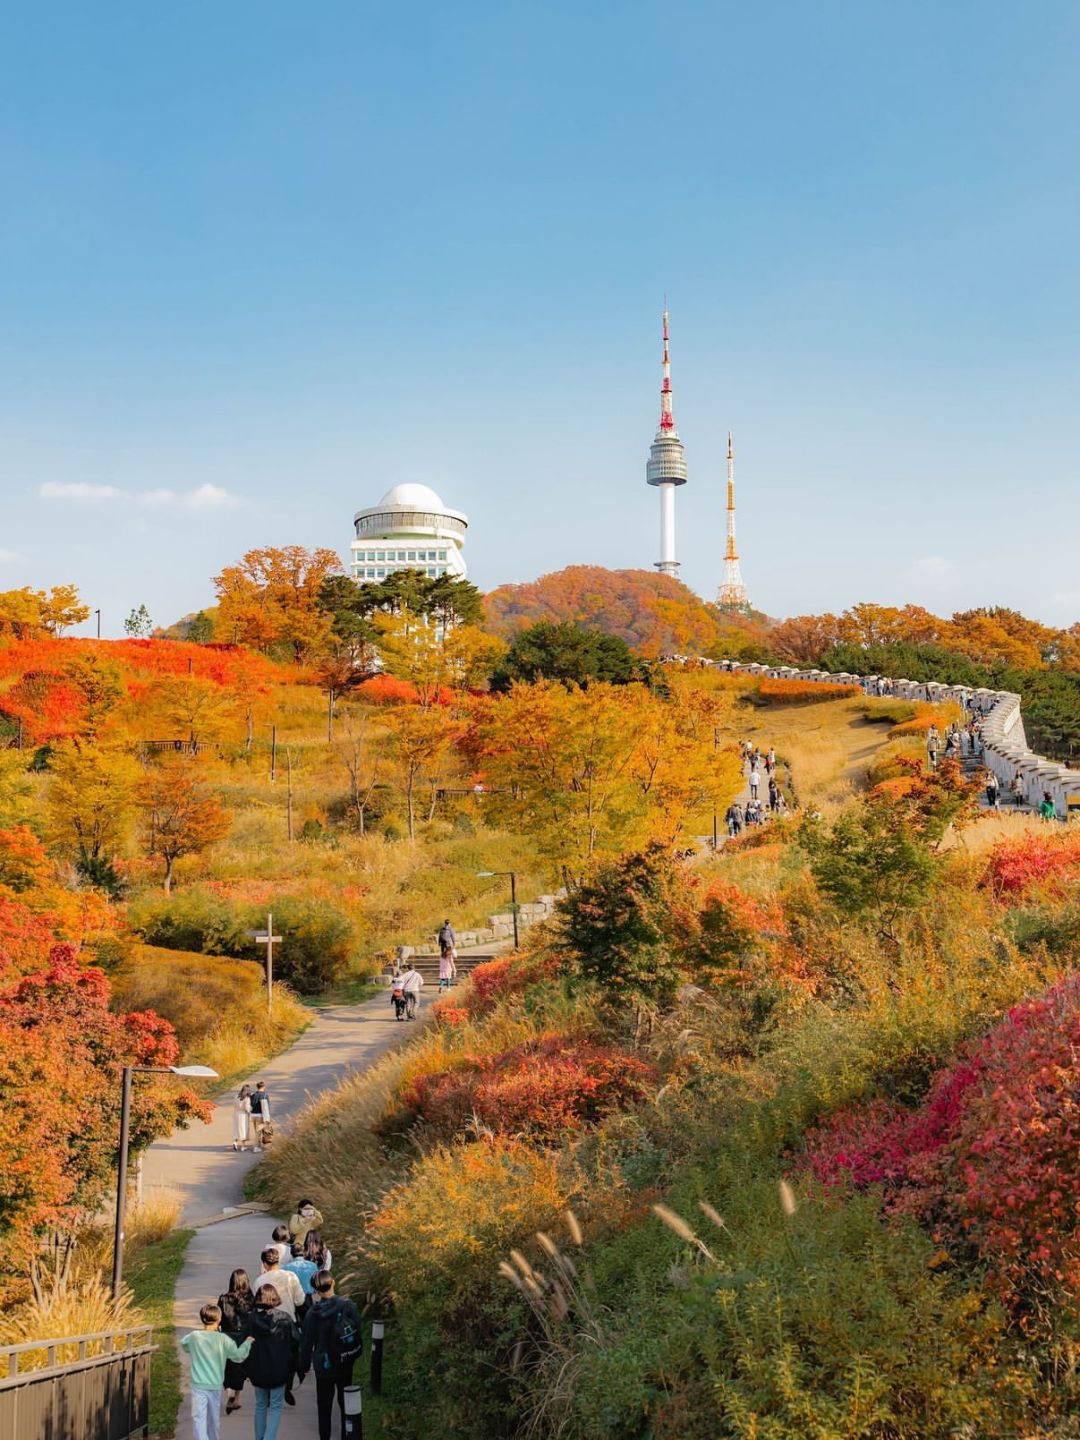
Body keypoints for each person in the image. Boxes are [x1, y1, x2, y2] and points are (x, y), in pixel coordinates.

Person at [297, 1272, 363, 1440]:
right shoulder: (348, 1306)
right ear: (333, 1282)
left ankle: (324, 1437)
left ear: (316, 1290)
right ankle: (346, 1435)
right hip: (344, 1361)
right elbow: (357, 1331)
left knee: (324, 1406)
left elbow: (306, 1343)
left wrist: (303, 1367)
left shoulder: (312, 1313)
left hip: (323, 1365)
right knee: (345, 1403)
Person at [181, 1302, 253, 1440]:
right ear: (219, 1320)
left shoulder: (195, 1336)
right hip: (214, 1386)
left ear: (202, 1319)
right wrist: (247, 1343)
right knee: (214, 1421)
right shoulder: (223, 1339)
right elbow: (238, 1356)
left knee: (199, 1420)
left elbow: (184, 1344)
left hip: (198, 1386)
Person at [245, 1285, 300, 1440]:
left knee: (260, 1405)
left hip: (258, 1369)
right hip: (279, 1369)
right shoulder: (284, 1318)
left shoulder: (251, 1319)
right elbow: (296, 1342)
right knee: (276, 1407)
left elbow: (244, 1344)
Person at [218, 1270, 256, 1416]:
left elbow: (219, 1319)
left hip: (227, 1335)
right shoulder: (251, 1299)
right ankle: (237, 1399)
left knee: (227, 1367)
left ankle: (229, 1392)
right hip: (244, 1337)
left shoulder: (223, 1299)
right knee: (240, 1367)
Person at [253, 1247, 305, 1321]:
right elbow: (300, 1301)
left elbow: (259, 1308)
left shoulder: (259, 1281)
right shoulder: (290, 1276)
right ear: (278, 1261)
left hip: (267, 1324)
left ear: (264, 1264)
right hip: (289, 1320)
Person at [249, 1081, 270, 1149]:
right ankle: (256, 1146)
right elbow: (267, 1107)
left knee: (257, 1130)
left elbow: (251, 1104)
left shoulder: (253, 1095)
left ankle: (259, 1144)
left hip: (253, 1115)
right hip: (260, 1115)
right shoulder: (265, 1095)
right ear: (263, 1087)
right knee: (259, 1131)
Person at [232, 1086, 252, 1153]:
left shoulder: (236, 1096)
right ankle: (243, 1146)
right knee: (243, 1129)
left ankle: (235, 1142)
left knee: (236, 1128)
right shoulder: (247, 1098)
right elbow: (247, 1108)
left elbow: (234, 1105)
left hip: (236, 1113)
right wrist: (250, 1110)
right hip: (243, 1115)